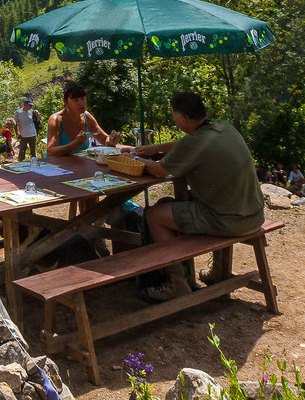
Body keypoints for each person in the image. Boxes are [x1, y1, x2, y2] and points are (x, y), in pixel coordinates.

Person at [136, 91, 265, 300]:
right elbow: (185, 144)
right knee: (202, 199)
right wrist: (154, 148)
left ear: (182, 120)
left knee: (154, 215)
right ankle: (218, 271)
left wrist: (132, 160)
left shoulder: (193, 143)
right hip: (254, 215)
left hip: (229, 221)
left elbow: (159, 170)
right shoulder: (225, 128)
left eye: (173, 116)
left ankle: (177, 282)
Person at [46, 83, 119, 156]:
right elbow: (51, 152)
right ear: (66, 102)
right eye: (76, 100)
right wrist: (75, 144)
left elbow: (104, 139)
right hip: (54, 166)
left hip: (76, 165)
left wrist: (111, 141)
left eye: (82, 99)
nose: (81, 103)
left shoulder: (87, 117)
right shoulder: (56, 120)